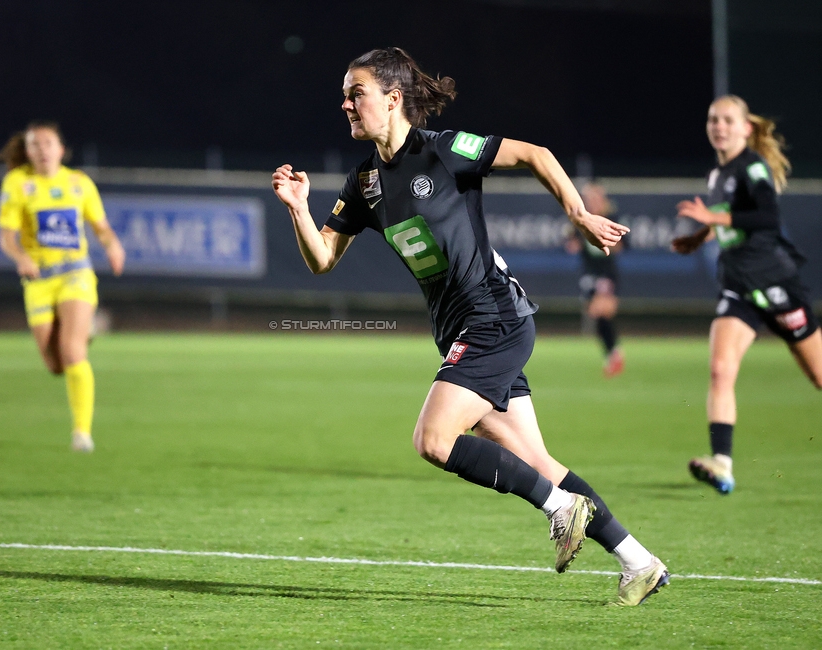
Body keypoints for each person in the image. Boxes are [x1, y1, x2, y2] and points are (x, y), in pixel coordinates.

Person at [272, 47, 668, 606]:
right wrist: (297, 207)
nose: (345, 105)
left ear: (392, 99)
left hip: (493, 318)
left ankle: (561, 509)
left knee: (433, 439)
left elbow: (536, 154)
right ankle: (639, 562)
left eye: (354, 93)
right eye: (344, 96)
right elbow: (321, 260)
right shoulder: (364, 183)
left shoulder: (444, 151)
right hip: (466, 328)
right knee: (537, 462)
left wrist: (578, 214)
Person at [672, 95, 822, 494]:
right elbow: (725, 213)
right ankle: (722, 463)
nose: (719, 126)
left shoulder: (753, 166)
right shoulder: (717, 174)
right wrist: (698, 236)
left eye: (727, 120)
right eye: (712, 119)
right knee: (721, 369)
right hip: (738, 287)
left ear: (746, 128)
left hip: (775, 284)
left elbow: (767, 217)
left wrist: (712, 219)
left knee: (819, 376)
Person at [0, 121, 125, 452]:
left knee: (71, 351)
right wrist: (21, 257)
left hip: (75, 274)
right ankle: (85, 330)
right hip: (38, 281)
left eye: (48, 143)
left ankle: (82, 433)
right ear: (27, 152)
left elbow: (102, 227)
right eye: (34, 145)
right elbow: (7, 238)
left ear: (61, 150)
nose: (42, 150)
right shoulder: (17, 183)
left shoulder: (79, 183)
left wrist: (112, 246)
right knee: (55, 365)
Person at [565, 183, 624, 376]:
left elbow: (621, 247)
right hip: (589, 274)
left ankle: (614, 353)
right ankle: (612, 353)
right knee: (597, 315)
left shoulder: (611, 218)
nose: (592, 202)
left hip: (606, 273)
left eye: (594, 198)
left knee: (601, 311)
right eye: (588, 198)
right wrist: (574, 240)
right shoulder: (582, 220)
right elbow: (572, 245)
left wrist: (607, 240)